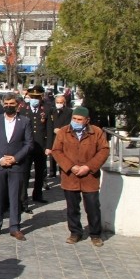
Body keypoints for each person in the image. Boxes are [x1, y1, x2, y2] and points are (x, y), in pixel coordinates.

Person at [51, 106, 110, 247]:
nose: (76, 122)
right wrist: (70, 166)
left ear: (87, 120)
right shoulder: (63, 131)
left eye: (79, 119)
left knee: (93, 207)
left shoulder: (96, 132)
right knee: (72, 207)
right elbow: (57, 151)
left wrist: (88, 167)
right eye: (74, 119)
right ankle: (75, 232)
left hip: (90, 177)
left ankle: (95, 234)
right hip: (70, 176)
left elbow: (104, 151)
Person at [0, 93, 33, 241]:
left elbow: (29, 143)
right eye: (6, 103)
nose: (8, 106)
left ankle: (15, 227)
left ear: (17, 105)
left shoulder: (25, 121)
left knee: (15, 197)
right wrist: (0, 158)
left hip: (16, 165)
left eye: (11, 103)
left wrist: (15, 158)